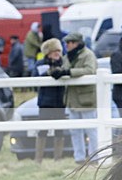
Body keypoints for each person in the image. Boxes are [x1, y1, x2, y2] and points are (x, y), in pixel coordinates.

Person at [56, 32, 98, 164]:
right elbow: (63, 68)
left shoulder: (88, 55)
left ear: (77, 43)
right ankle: (79, 157)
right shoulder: (67, 57)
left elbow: (90, 70)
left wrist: (69, 72)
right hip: (72, 98)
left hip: (86, 97)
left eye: (70, 43)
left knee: (91, 130)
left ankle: (95, 157)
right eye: (67, 43)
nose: (67, 45)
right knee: (75, 130)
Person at [33, 38, 67, 163]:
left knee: (60, 131)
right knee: (43, 130)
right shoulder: (40, 64)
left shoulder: (64, 63)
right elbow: (34, 79)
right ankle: (38, 158)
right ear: (48, 53)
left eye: (59, 51)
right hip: (45, 102)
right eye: (54, 51)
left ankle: (58, 158)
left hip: (60, 102)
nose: (57, 53)